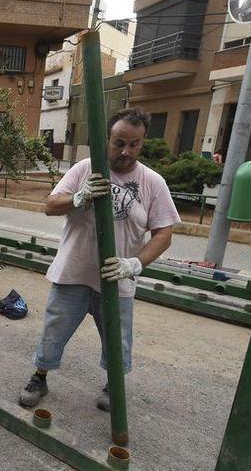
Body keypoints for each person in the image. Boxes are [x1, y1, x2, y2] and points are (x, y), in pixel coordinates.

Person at [18, 108, 180, 411]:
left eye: (134, 144)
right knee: (54, 331)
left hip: (115, 278)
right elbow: (50, 206)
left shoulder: (152, 182)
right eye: (119, 142)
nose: (125, 151)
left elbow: (164, 233)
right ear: (107, 139)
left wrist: (135, 264)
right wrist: (79, 197)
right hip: (74, 272)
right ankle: (39, 377)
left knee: (117, 341)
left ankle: (112, 384)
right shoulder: (85, 169)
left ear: (143, 143)